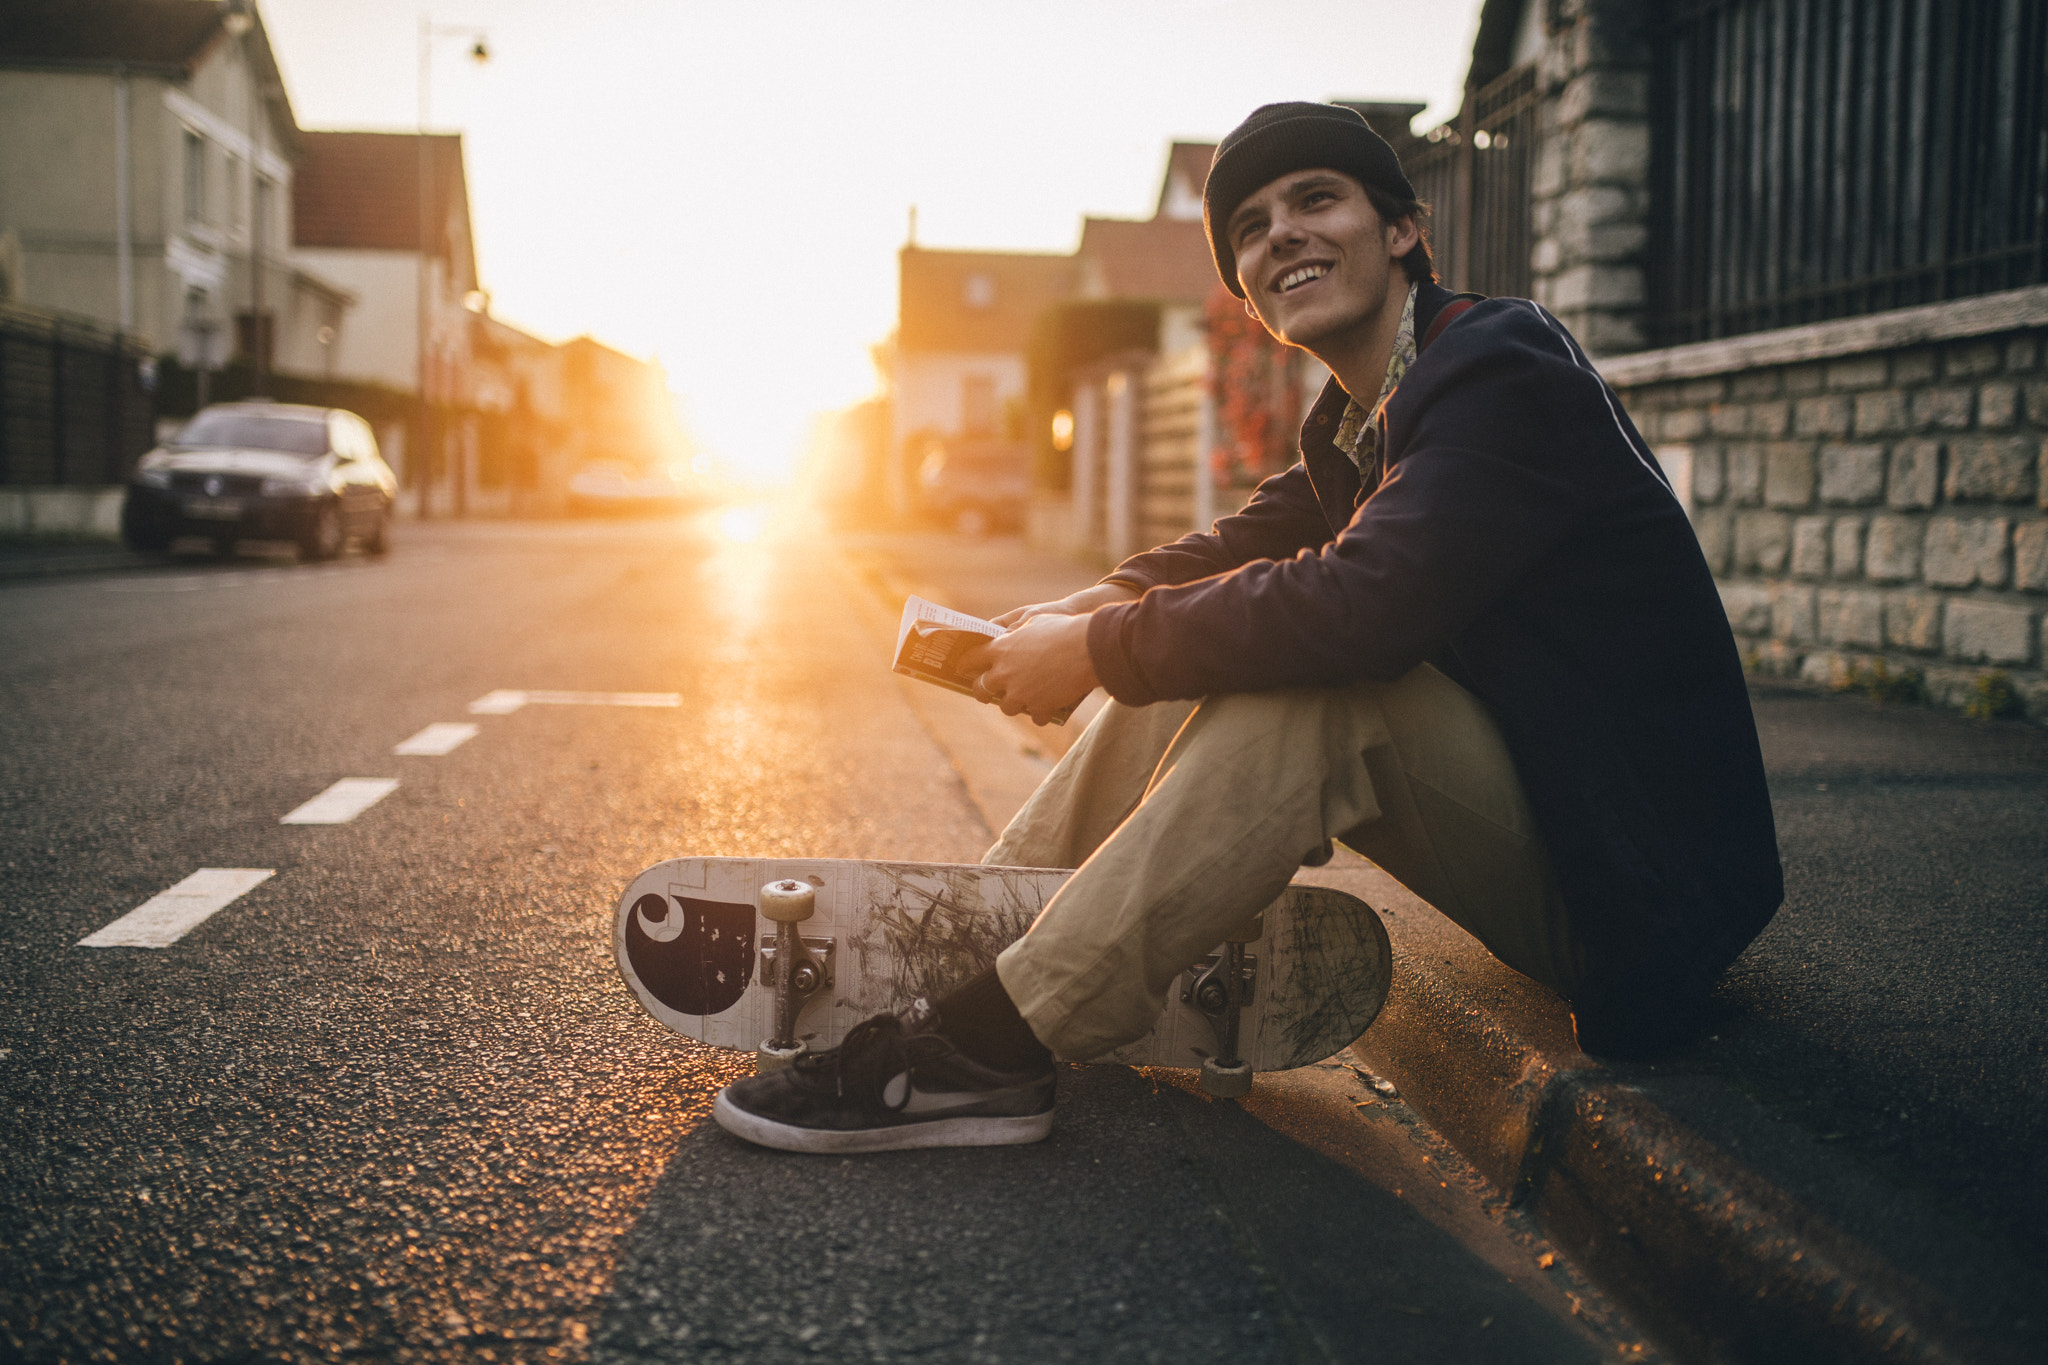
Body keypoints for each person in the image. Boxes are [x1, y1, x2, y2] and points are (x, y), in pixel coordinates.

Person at [711, 102, 1782, 1155]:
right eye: (1252, 229)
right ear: (1249, 291)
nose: (1282, 236)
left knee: (1322, 684)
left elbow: (1361, 607)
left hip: (1643, 896)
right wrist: (1089, 610)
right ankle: (988, 953)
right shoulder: (1367, 417)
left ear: (1403, 230)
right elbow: (1239, 545)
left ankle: (989, 1046)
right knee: (1195, 649)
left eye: (1315, 200)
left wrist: (1092, 653)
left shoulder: (1499, 367)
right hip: (1569, 826)